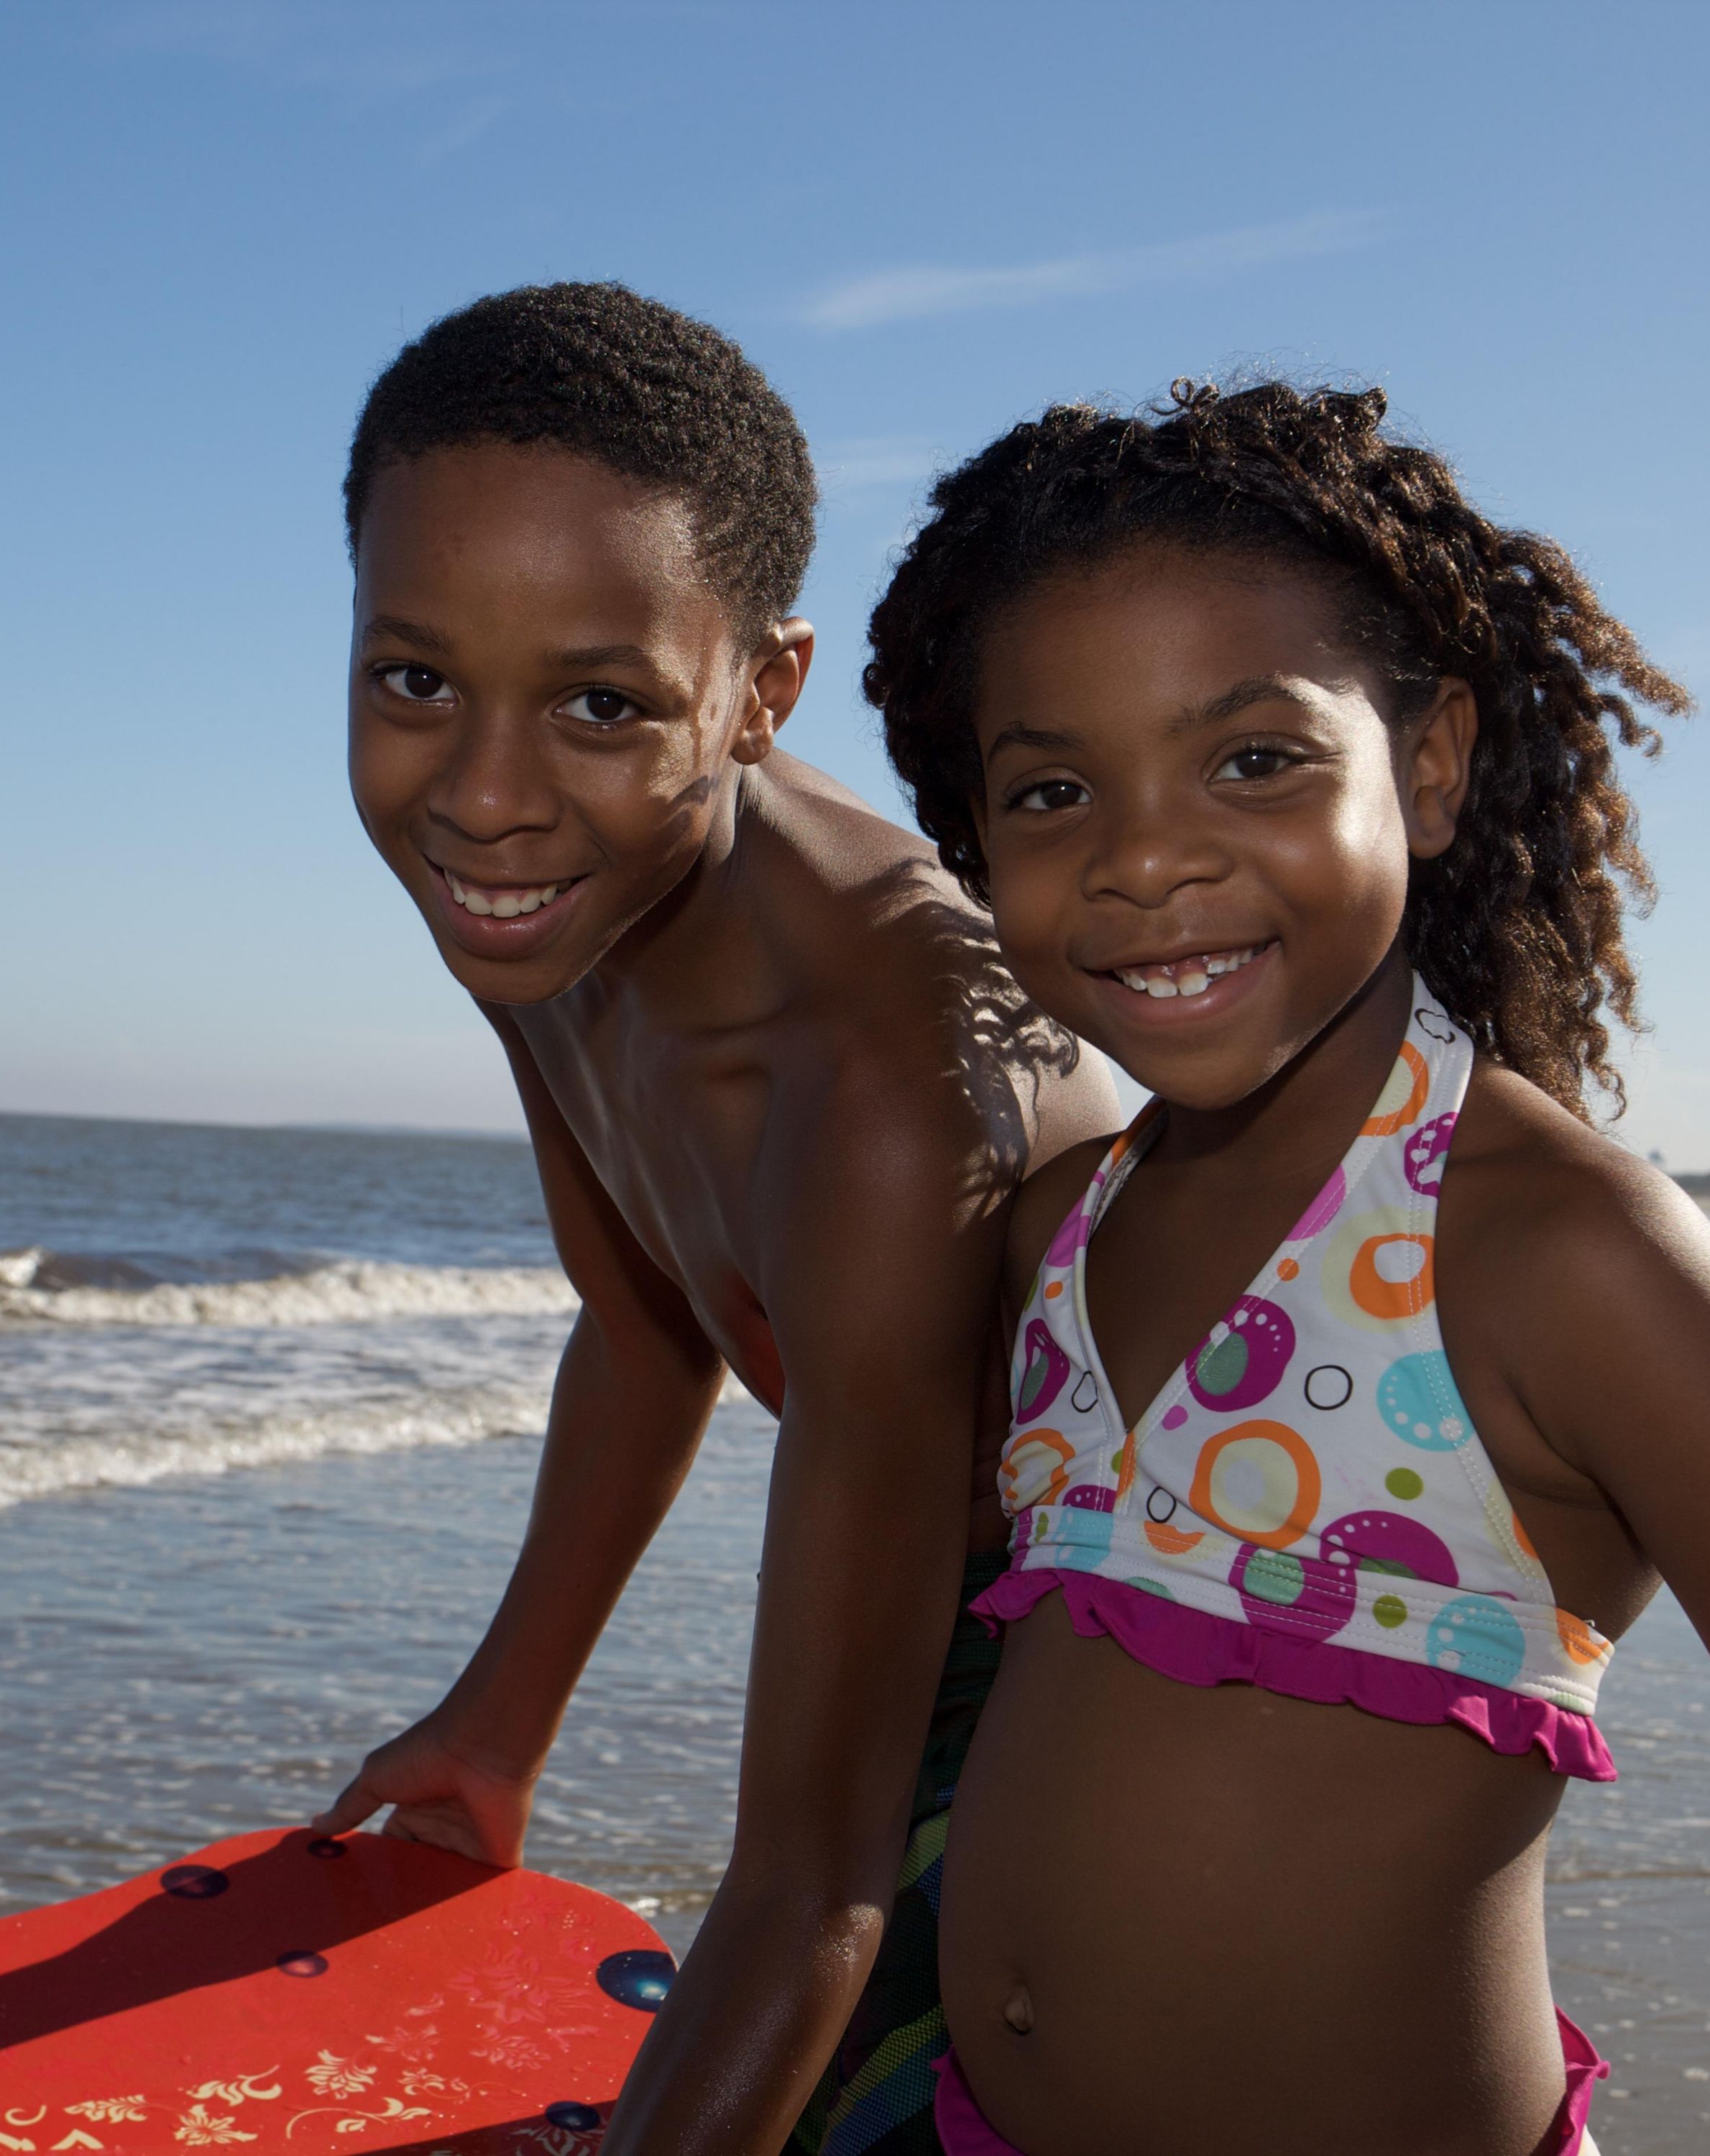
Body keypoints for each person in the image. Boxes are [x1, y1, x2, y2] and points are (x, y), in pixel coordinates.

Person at [865, 379, 1710, 2155]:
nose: (1144, 855)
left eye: (1252, 759)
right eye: (1052, 790)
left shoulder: (1554, 1256)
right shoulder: (1065, 1231)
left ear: (1428, 768)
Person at [315, 283, 1116, 2154]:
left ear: (760, 692)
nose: (488, 791)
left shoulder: (885, 1087)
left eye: (604, 701)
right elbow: (646, 1323)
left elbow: (816, 1880)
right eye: (414, 679)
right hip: (927, 1609)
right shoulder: (544, 890)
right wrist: (499, 1721)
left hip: (1141, 1669)